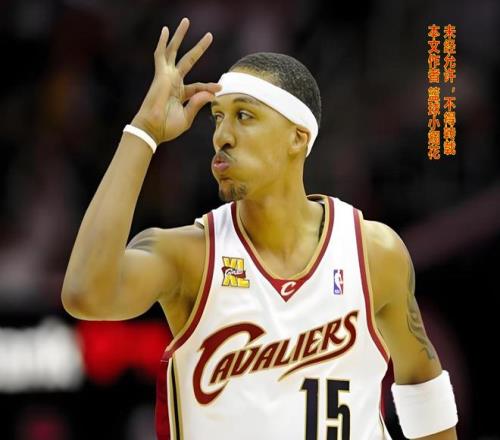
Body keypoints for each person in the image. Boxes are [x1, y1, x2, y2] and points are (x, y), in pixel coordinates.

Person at [61, 18, 459, 440]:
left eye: (244, 116)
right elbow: (86, 294)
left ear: (297, 137)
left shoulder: (373, 252)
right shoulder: (189, 256)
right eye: (217, 117)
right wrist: (143, 131)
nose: (222, 136)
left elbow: (422, 384)